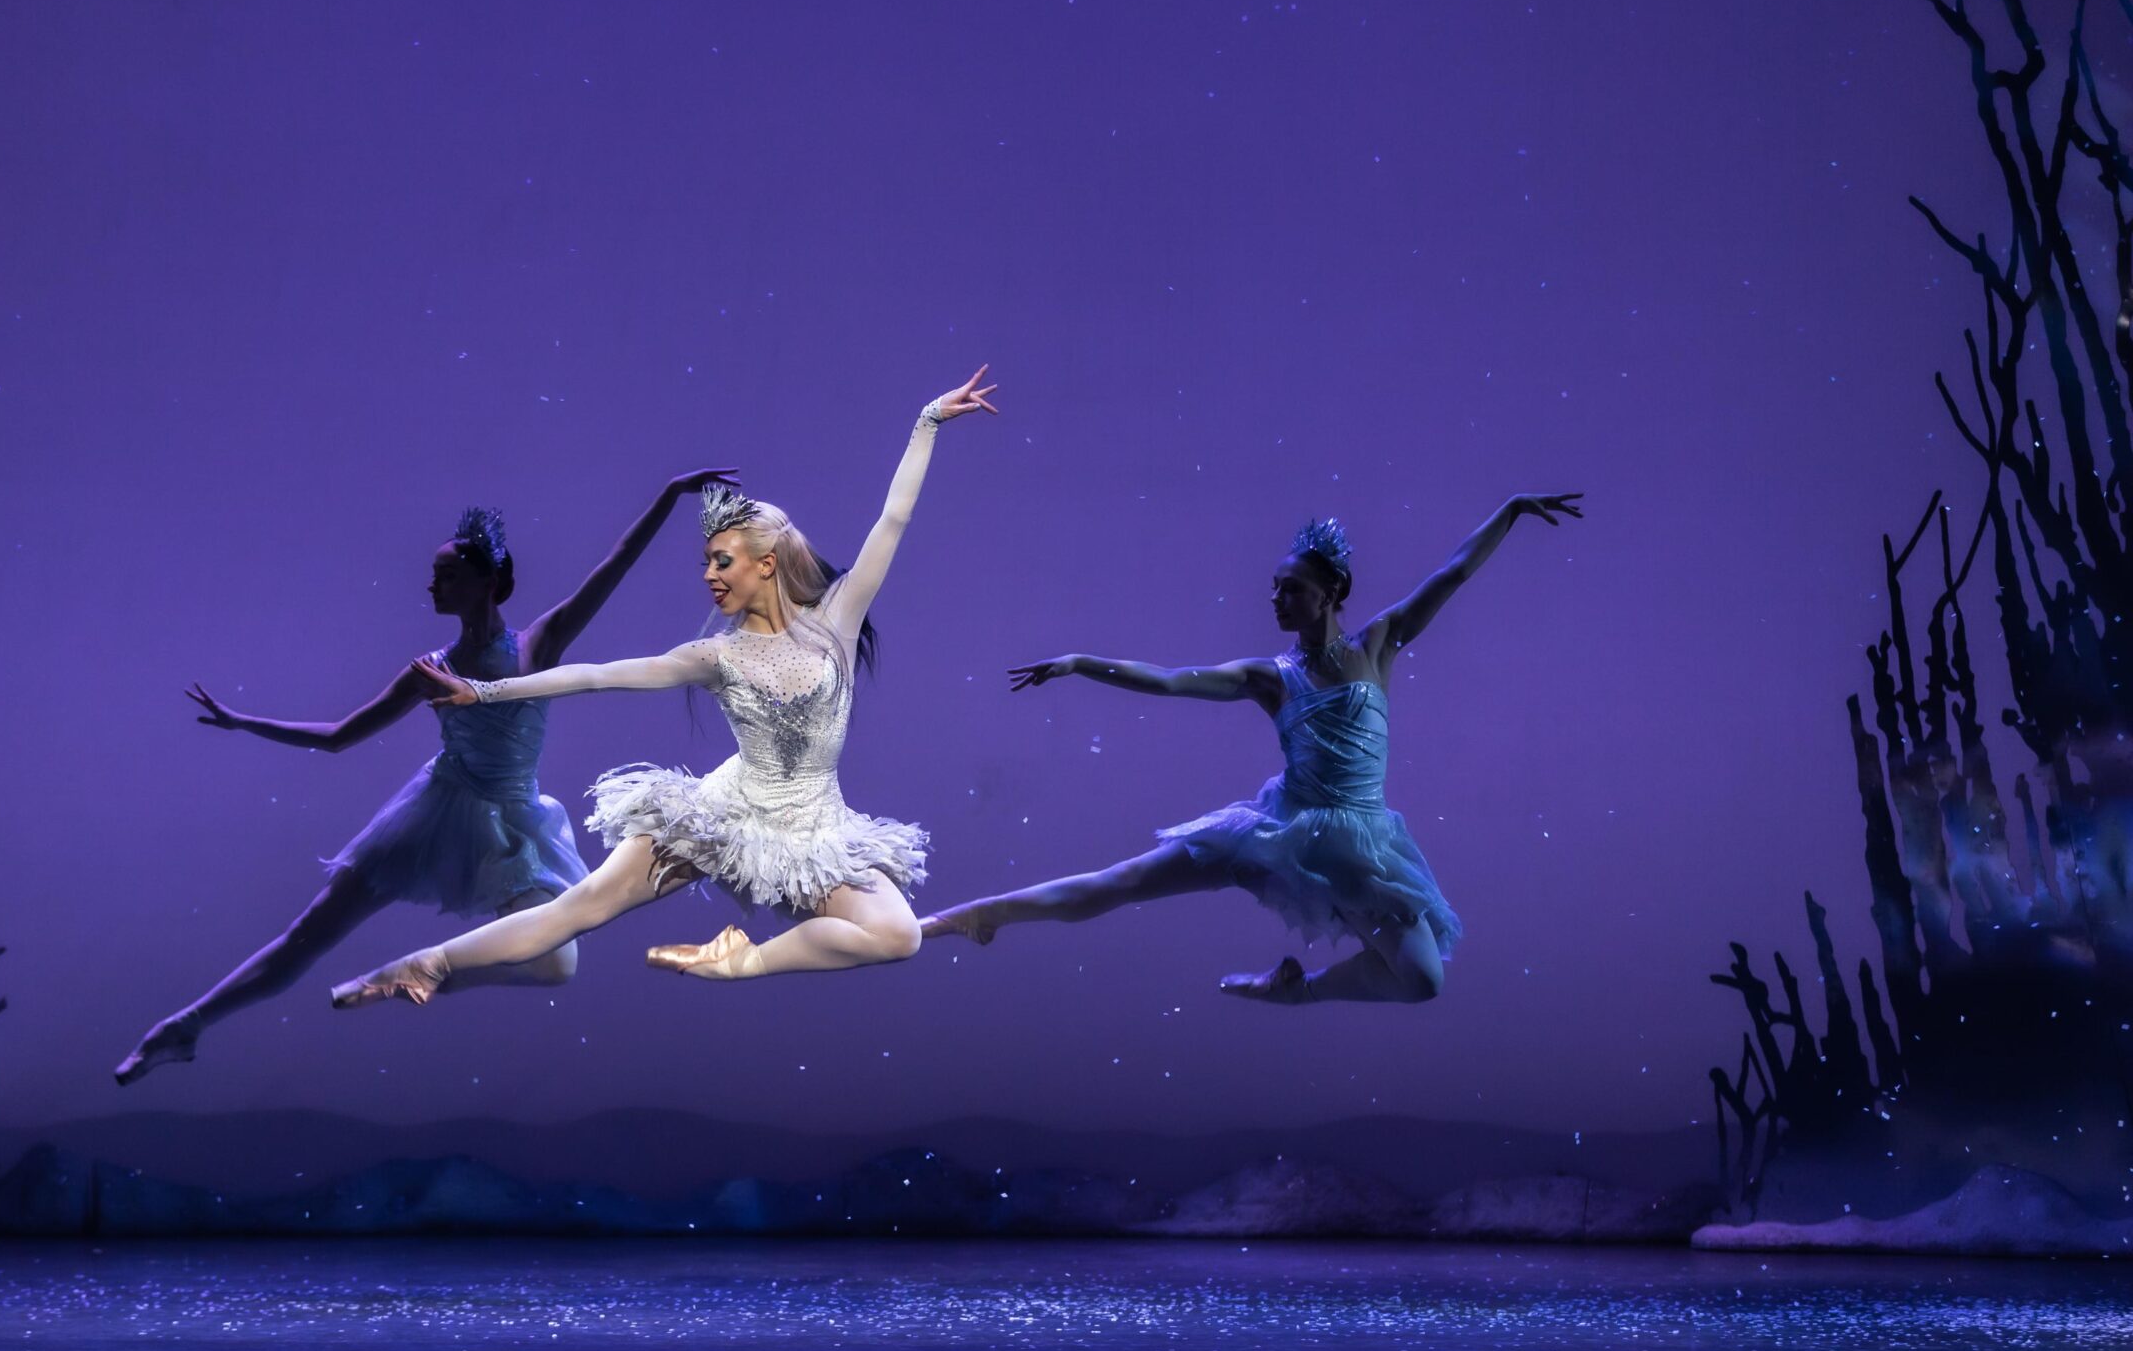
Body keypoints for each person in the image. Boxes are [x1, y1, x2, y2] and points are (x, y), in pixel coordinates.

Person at [327, 368, 1002, 1007]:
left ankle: (742, 960)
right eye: (706, 561)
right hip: (721, 813)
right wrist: (487, 692)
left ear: (766, 565)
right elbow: (597, 676)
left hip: (814, 829)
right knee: (582, 906)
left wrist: (928, 422)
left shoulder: (838, 621)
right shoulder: (717, 654)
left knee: (897, 933)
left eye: (722, 561)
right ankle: (427, 963)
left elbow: (892, 521)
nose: (709, 575)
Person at [112, 471, 736, 1083]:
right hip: (438, 810)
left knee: (557, 965)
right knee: (307, 936)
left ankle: (420, 971)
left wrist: (667, 495)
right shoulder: (429, 669)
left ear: (487, 582)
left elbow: (616, 564)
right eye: (434, 575)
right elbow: (337, 737)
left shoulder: (536, 646)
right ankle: (185, 1025)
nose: (432, 585)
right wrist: (244, 722)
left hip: (513, 821)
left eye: (448, 575)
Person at [918, 495, 1583, 1005]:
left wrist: (1511, 512)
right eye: (1274, 588)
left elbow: (1453, 573)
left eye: (1290, 588)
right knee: (1123, 882)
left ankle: (1297, 991)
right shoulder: (1269, 676)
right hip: (1280, 830)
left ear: (1332, 592)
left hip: (1364, 844)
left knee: (1421, 981)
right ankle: (978, 916)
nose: (1276, 598)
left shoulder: (1378, 645)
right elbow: (1170, 680)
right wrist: (1080, 662)